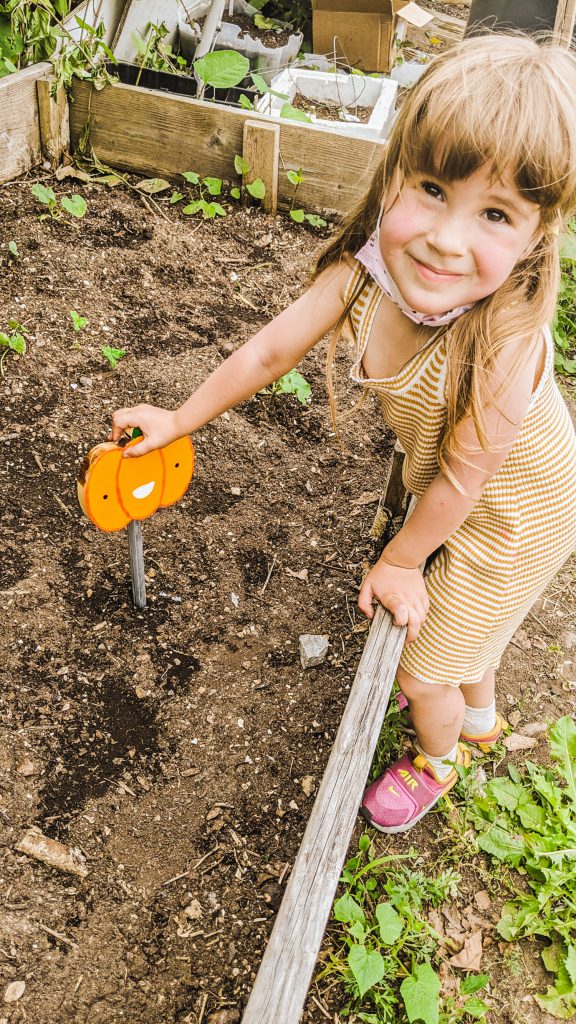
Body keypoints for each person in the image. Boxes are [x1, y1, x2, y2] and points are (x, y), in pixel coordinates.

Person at [112, 34, 576, 834]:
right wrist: (177, 418)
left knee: (425, 663)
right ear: (394, 169)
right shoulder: (367, 271)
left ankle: (442, 756)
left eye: (494, 213)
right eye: (432, 188)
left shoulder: (503, 344)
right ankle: (482, 712)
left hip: (512, 520)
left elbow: (466, 482)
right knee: (476, 630)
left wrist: (401, 561)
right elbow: (269, 349)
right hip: (460, 495)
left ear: (536, 234)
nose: (446, 237)